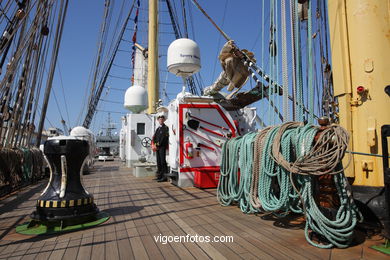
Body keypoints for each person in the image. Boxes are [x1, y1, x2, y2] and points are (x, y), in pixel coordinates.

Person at [152, 114, 169, 182]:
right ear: (158, 120)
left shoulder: (165, 128)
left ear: (164, 120)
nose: (161, 120)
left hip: (162, 147)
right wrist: (155, 145)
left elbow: (164, 138)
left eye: (162, 119)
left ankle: (164, 177)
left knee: (163, 162)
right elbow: (155, 137)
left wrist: (157, 145)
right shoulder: (158, 129)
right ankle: (159, 176)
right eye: (160, 119)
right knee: (158, 162)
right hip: (157, 147)